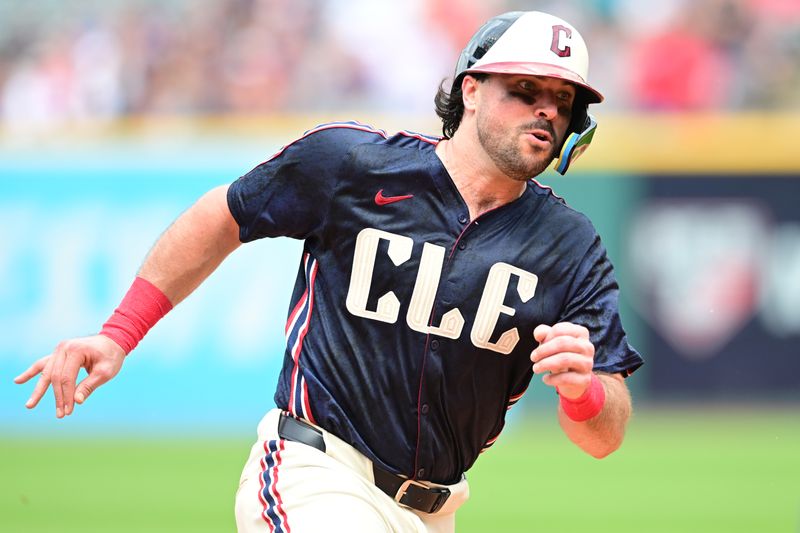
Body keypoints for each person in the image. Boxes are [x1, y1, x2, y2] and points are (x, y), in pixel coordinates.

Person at [15, 10, 643, 533]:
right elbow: (221, 216)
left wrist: (583, 390)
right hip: (317, 471)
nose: (545, 112)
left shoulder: (570, 245)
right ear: (472, 89)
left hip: (435, 511)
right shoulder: (353, 165)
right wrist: (118, 332)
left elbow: (604, 435)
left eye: (562, 100)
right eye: (523, 91)